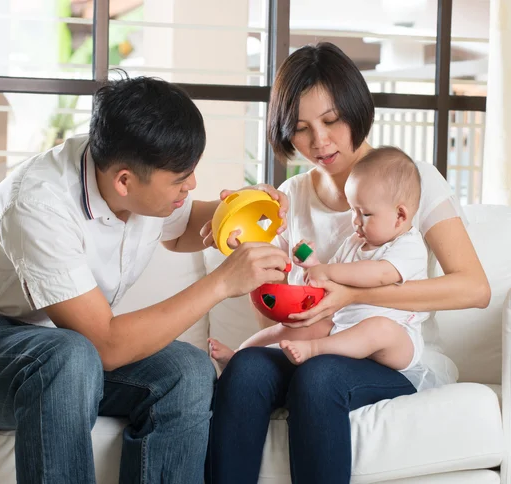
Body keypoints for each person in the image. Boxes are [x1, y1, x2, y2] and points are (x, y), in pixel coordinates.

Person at [0, 75, 292, 484]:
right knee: (70, 355)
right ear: (124, 181)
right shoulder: (40, 203)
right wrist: (220, 283)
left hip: (67, 358)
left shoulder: (130, 167)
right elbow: (104, 345)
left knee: (189, 369)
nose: (192, 185)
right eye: (180, 179)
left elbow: (181, 231)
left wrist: (246, 208)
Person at [205, 42, 491, 484]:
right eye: (301, 129)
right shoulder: (292, 195)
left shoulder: (412, 178)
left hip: (385, 354)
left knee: (318, 378)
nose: (320, 141)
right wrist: (251, 236)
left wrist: (354, 294)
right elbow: (273, 302)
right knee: (245, 370)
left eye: (332, 120)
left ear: (356, 109)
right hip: (312, 342)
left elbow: (474, 288)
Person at [209, 146, 431, 389]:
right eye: (353, 211)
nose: (355, 221)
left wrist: (327, 272)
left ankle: (314, 349)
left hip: (396, 343)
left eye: (365, 214)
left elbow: (379, 274)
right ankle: (240, 355)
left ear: (400, 215)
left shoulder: (409, 245)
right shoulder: (354, 242)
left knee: (380, 328)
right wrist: (312, 263)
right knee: (298, 325)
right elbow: (328, 278)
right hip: (343, 326)